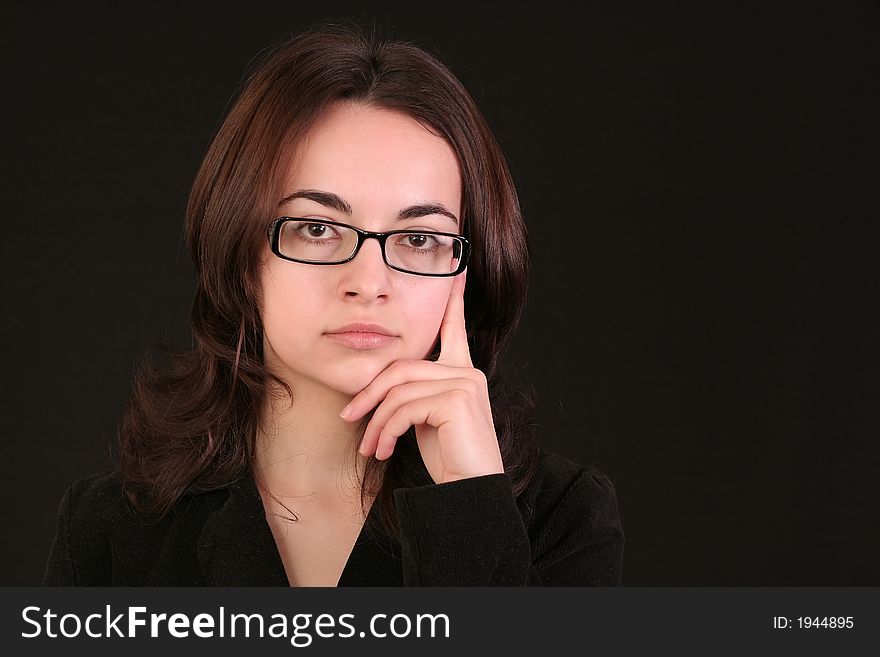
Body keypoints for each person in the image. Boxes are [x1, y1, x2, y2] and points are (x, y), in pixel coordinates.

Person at [42, 21, 624, 586]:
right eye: (318, 230)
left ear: (467, 270)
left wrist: (469, 509)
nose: (368, 282)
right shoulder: (110, 528)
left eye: (419, 238)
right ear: (244, 253)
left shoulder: (561, 518)